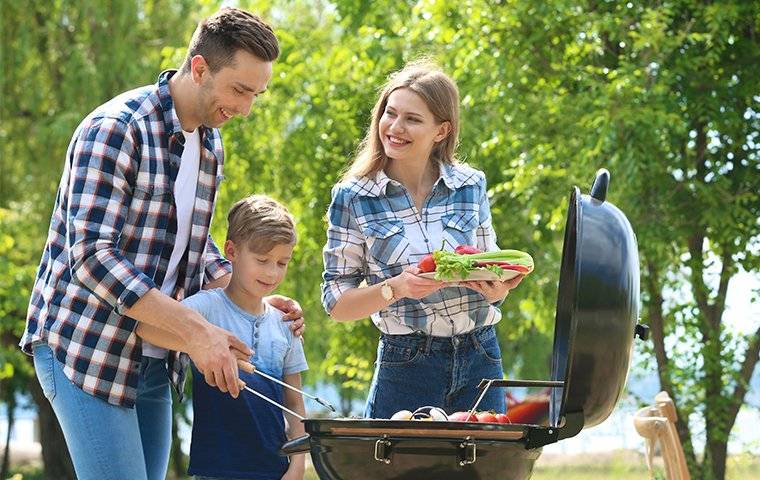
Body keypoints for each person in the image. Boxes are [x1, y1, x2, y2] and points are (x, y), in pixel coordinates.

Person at [20, 8, 305, 480]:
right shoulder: (116, 128)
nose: (246, 108)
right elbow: (90, 257)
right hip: (89, 347)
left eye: (257, 94)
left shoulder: (210, 145)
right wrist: (197, 331)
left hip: (154, 354)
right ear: (199, 68)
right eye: (239, 89)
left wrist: (244, 292)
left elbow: (190, 246)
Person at [321, 60, 524, 419]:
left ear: (441, 130)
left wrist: (497, 288)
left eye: (412, 119)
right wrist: (395, 288)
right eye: (390, 113)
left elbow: (492, 276)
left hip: (481, 357)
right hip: (406, 363)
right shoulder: (353, 196)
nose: (395, 128)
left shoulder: (470, 185)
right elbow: (337, 302)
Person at [138, 195, 308, 480]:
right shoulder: (206, 308)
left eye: (282, 262)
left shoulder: (285, 323)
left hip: (275, 471)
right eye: (262, 260)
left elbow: (294, 401)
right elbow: (147, 328)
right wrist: (195, 340)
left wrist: (298, 465)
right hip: (215, 470)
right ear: (231, 251)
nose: (272, 272)